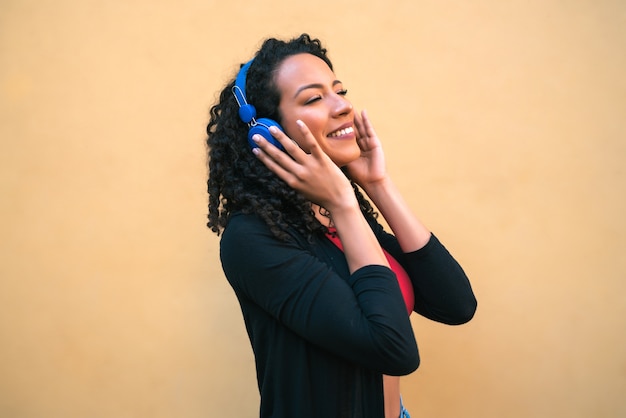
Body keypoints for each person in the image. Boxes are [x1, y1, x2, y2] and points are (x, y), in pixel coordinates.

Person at [206, 33, 477, 418]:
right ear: (268, 132)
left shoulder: (335, 215)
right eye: (315, 98)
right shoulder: (252, 239)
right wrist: (344, 203)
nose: (342, 106)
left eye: (339, 91)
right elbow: (392, 348)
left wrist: (376, 185)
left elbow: (456, 304)